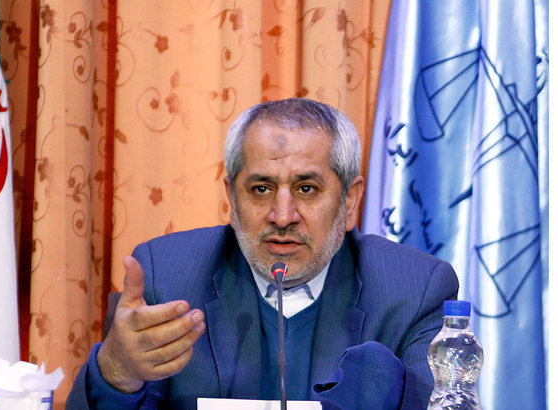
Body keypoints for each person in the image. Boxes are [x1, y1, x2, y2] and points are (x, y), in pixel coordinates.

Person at [66, 98, 459, 409]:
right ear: (231, 196)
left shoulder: (413, 290)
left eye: (306, 189)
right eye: (261, 189)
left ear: (350, 198)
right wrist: (116, 372)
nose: (282, 216)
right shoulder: (166, 275)